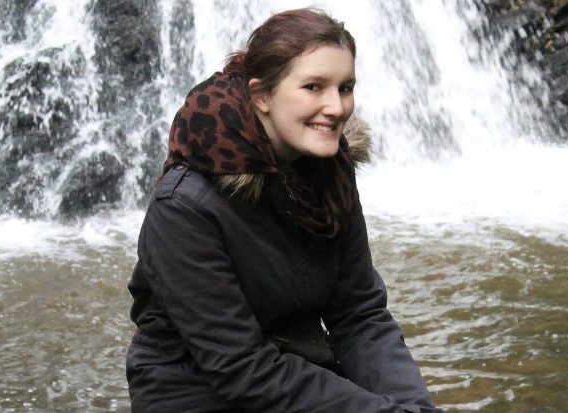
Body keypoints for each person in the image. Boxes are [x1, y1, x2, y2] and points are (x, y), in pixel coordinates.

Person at [126, 8, 445, 413]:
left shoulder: (330, 175)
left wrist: (415, 407)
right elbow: (240, 367)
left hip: (300, 380)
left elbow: (360, 315)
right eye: (314, 87)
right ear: (261, 95)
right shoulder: (185, 207)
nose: (335, 107)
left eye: (345, 88)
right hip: (196, 394)